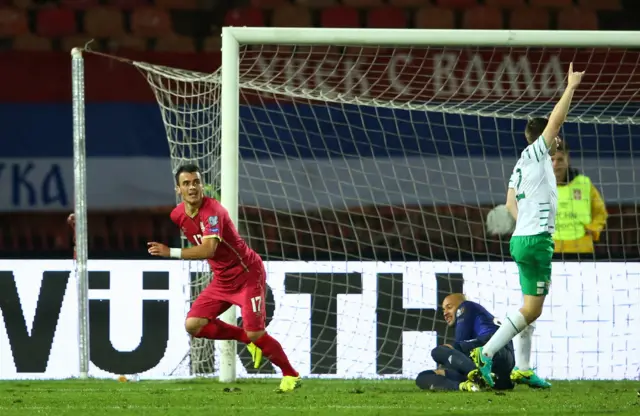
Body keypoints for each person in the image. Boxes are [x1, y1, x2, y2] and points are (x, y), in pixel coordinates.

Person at [471, 63, 585, 387]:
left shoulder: (520, 165)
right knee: (532, 310)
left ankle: (522, 366)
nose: (557, 140)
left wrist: (527, 228)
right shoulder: (537, 153)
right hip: (535, 241)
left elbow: (509, 205)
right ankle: (487, 354)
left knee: (529, 304)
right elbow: (557, 119)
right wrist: (571, 87)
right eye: (555, 136)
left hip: (524, 238)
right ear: (549, 137)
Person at [147, 164, 300, 392]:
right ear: (178, 189)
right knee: (194, 325)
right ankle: (247, 339)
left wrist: (171, 252)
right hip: (222, 280)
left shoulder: (213, 212)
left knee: (256, 332)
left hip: (248, 274)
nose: (192, 188)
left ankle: (291, 374)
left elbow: (208, 250)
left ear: (202, 185)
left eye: (196, 182)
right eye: (186, 184)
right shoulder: (177, 215)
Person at [415, 294, 515, 392]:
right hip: (501, 376)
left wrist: (449, 362)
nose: (445, 313)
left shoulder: (466, 306)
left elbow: (458, 347)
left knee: (438, 351)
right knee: (422, 377)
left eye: (449, 307)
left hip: (489, 348)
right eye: (443, 310)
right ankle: (465, 386)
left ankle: (478, 376)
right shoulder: (481, 322)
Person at [551, 140, 608, 254]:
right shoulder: (538, 186)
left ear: (568, 160)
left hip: (580, 246)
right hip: (549, 246)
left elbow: (600, 212)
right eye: (551, 160)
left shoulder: (584, 184)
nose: (555, 165)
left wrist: (593, 229)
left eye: (560, 159)